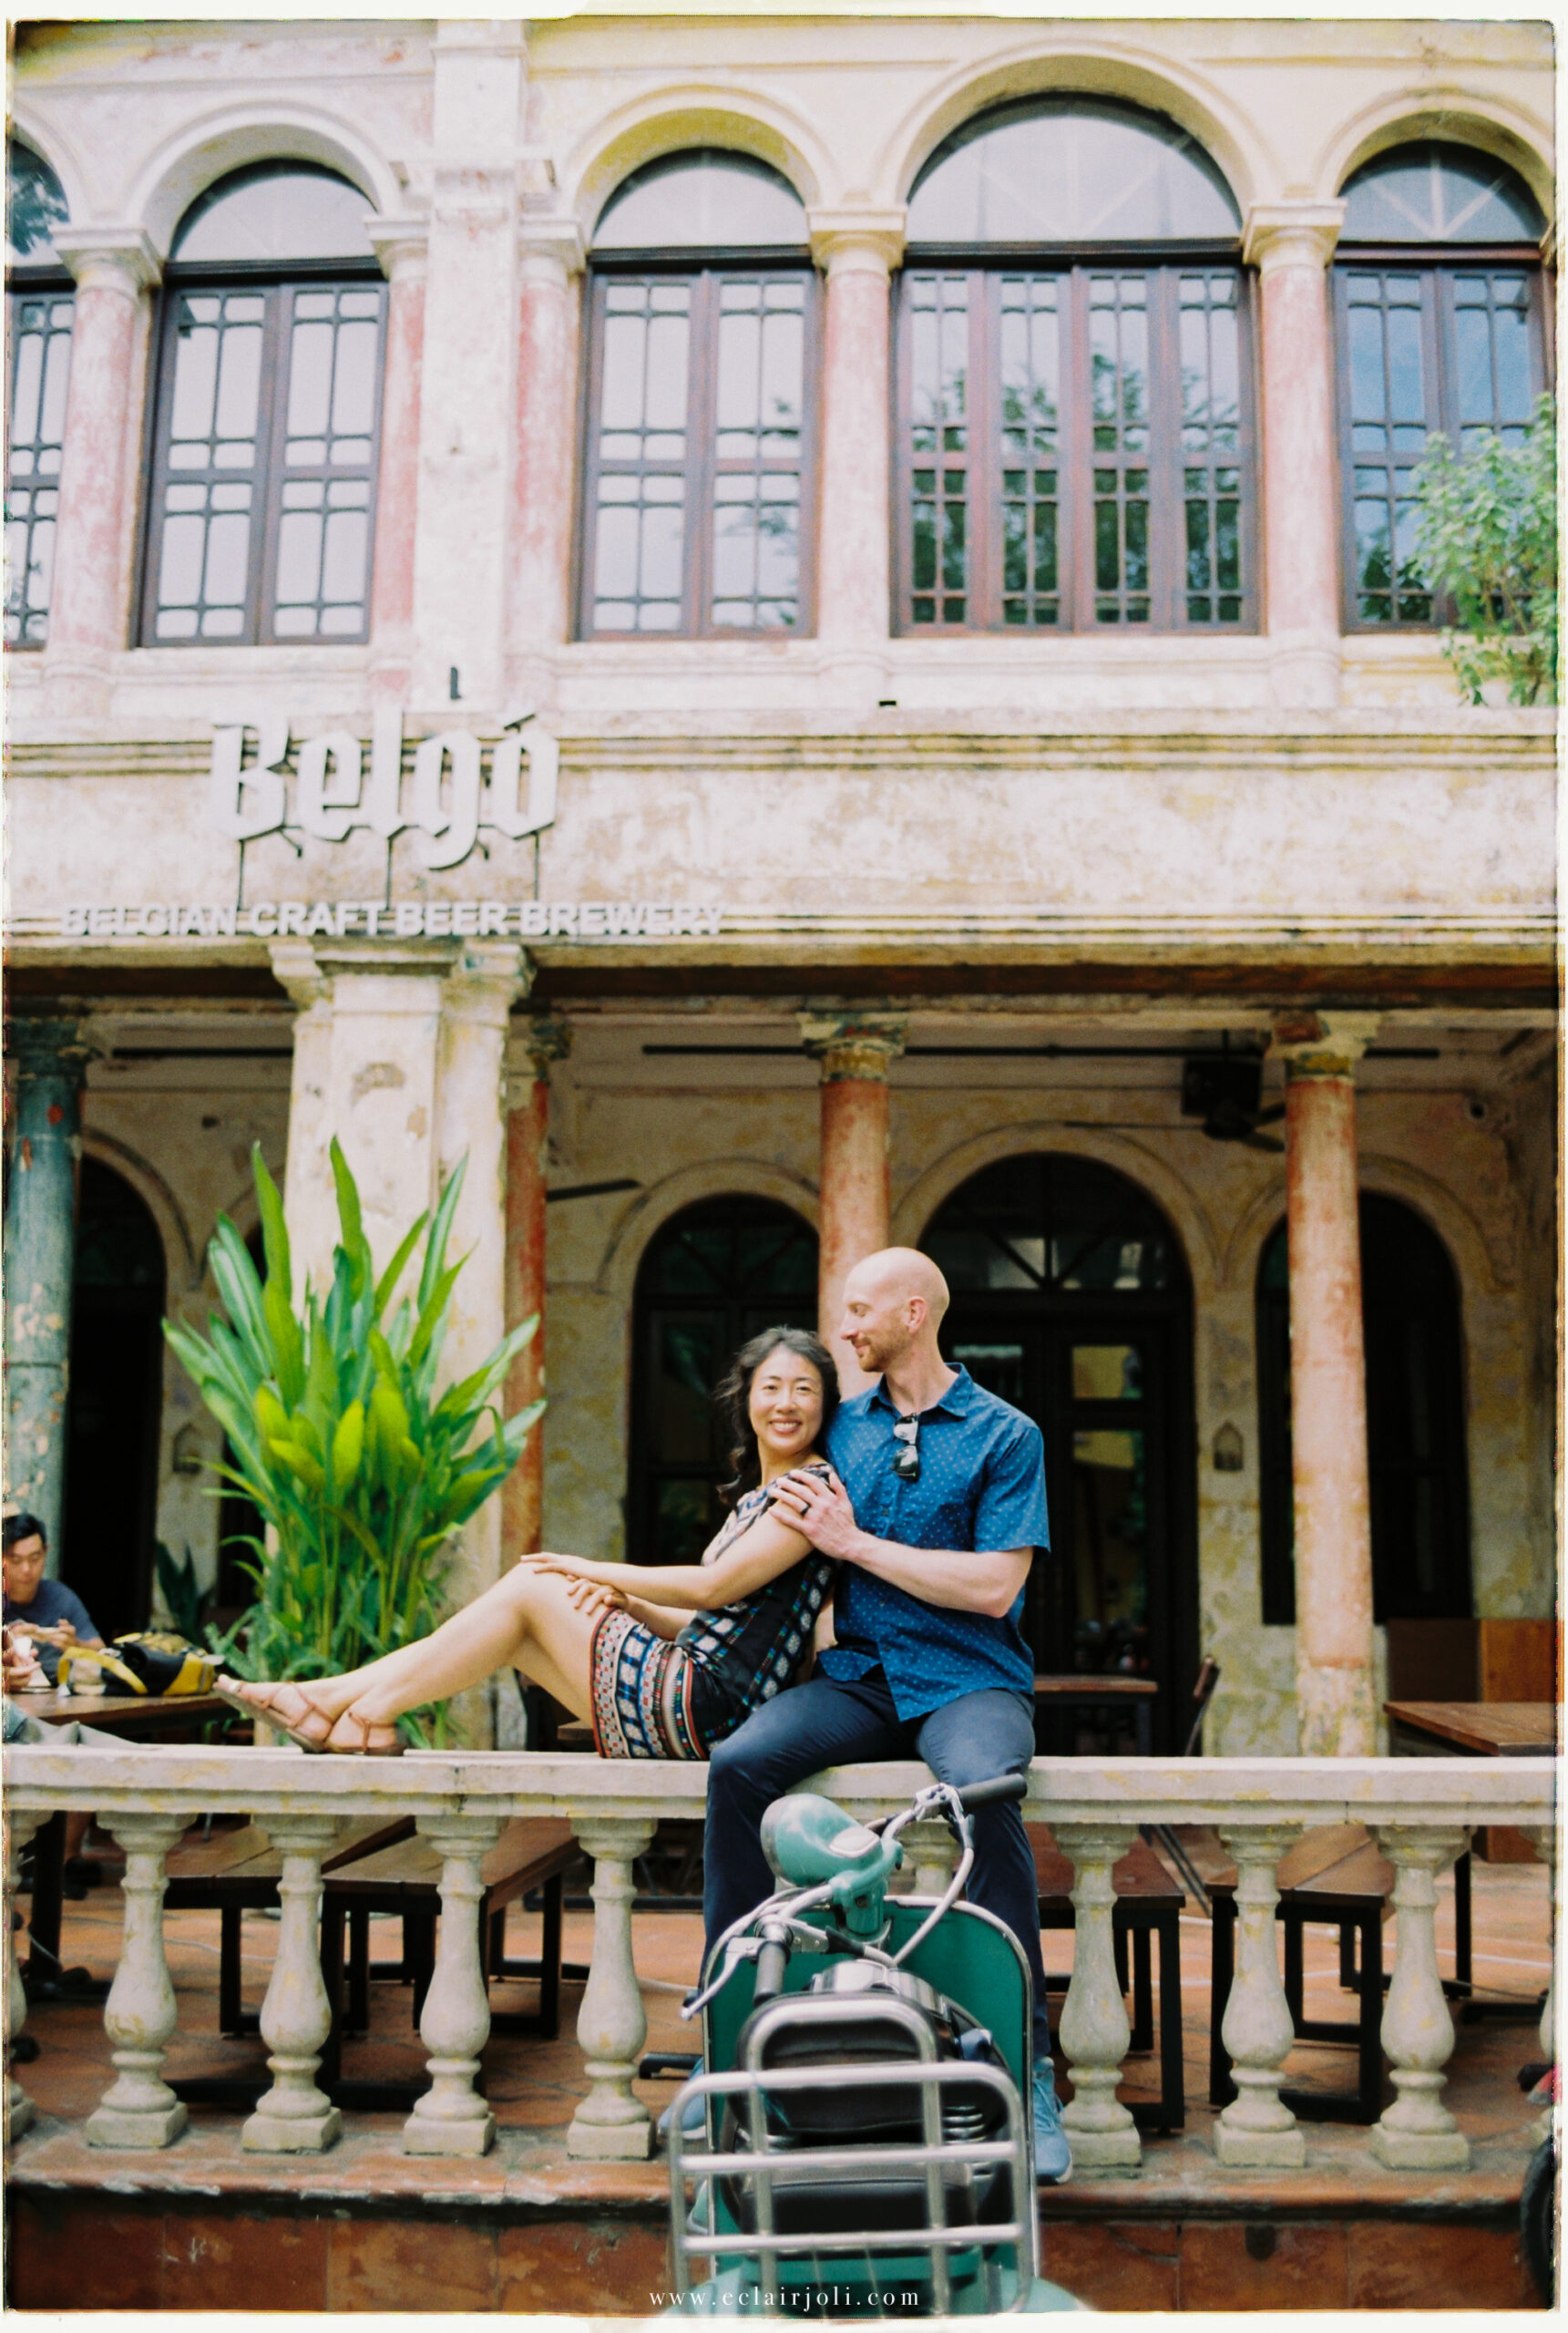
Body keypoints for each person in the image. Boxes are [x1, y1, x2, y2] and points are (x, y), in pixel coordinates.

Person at [696, 1247, 1071, 2184]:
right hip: (861, 1679)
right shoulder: (840, 1432)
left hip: (968, 1680)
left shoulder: (1005, 1434)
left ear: (913, 1313)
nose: (846, 1329)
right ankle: (728, 2037)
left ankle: (1027, 2070)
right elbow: (772, 1537)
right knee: (738, 1766)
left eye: (860, 1311)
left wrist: (855, 1544)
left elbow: (993, 1588)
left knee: (982, 1791)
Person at [222, 1328, 841, 1760]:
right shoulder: (763, 1494)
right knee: (513, 1635)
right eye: (771, 1387)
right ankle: (334, 1702)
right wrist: (632, 1606)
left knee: (533, 1585)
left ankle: (357, 1710)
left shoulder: (807, 1491)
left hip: (710, 1709)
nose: (785, 1404)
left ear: (825, 1404)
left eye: (804, 1389)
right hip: (700, 1701)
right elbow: (716, 1622)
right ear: (746, 1398)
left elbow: (713, 1588)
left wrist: (593, 1570)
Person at [2, 1513, 103, 1687]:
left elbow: (103, 1653)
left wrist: (75, 1645)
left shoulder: (61, 1598)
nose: (26, 1569)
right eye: (16, 1560)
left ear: (45, 1552)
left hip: (56, 1693)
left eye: (34, 1559)